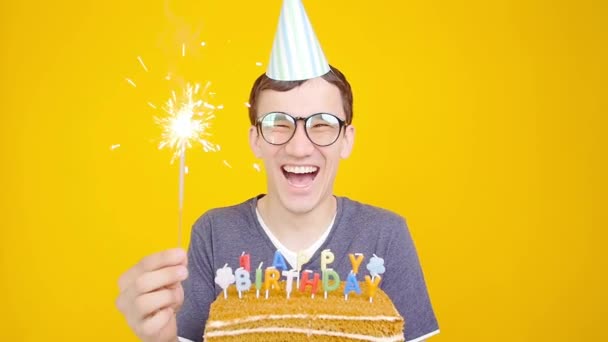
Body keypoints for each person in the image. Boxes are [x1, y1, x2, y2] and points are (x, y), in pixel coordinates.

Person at [116, 2, 439, 342]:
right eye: (278, 123)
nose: (299, 147)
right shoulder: (213, 233)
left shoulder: (385, 235)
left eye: (323, 124)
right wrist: (161, 339)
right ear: (255, 139)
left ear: (347, 140)